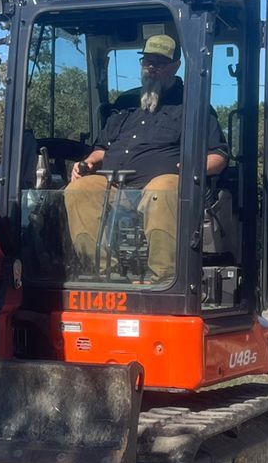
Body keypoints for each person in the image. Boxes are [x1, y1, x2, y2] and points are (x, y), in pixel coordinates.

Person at [62, 33, 228, 284]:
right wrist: (87, 163)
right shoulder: (126, 102)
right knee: (79, 190)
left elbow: (219, 156)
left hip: (163, 187)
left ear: (176, 66)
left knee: (161, 190)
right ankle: (105, 273)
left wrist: (193, 168)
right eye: (147, 62)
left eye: (159, 63)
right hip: (115, 186)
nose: (151, 68)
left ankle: (164, 277)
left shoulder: (192, 105)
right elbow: (103, 148)